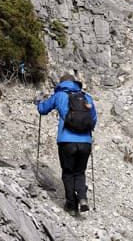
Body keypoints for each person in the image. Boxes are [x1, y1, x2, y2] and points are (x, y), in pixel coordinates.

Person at [37, 73, 98, 213]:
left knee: (68, 172)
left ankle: (71, 204)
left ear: (61, 83)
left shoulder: (60, 95)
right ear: (74, 83)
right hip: (85, 142)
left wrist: (38, 102)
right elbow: (93, 120)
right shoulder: (86, 97)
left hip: (66, 141)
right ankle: (82, 198)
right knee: (80, 172)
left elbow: (43, 109)